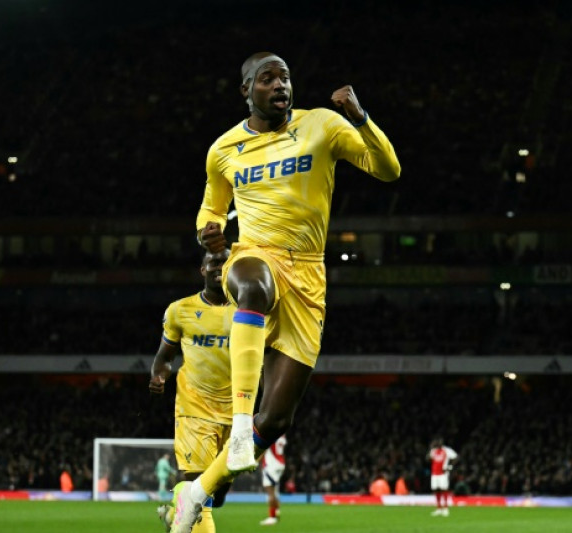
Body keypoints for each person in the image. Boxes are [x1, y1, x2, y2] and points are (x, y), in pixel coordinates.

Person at [171, 51, 400, 533]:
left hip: (309, 275)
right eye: (267, 78)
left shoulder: (322, 125)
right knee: (252, 285)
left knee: (276, 419)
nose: (280, 85)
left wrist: (360, 117)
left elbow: (388, 169)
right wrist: (208, 233)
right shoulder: (223, 149)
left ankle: (198, 491)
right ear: (246, 90)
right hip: (254, 254)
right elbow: (210, 210)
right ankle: (239, 426)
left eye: (285, 77)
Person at [150, 248, 235, 532]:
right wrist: (159, 376)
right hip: (194, 407)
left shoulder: (248, 312)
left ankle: (176, 513)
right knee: (197, 487)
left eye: (225, 262)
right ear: (202, 270)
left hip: (236, 410)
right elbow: (164, 357)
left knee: (217, 494)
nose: (219, 266)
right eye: (213, 262)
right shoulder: (180, 310)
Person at [259, 434, 287, 526]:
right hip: (280, 463)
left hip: (271, 464)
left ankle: (272, 517)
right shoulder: (282, 435)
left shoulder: (271, 433)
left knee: (270, 492)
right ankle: (277, 512)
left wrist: (257, 461)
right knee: (275, 491)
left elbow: (263, 448)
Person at [429, 438, 458, 517]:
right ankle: (438, 508)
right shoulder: (433, 451)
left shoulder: (447, 450)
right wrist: (431, 448)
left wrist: (450, 467)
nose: (438, 443)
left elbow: (456, 457)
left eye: (439, 442)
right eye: (437, 442)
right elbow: (428, 459)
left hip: (443, 473)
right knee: (436, 490)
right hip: (434, 473)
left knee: (444, 489)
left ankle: (445, 508)